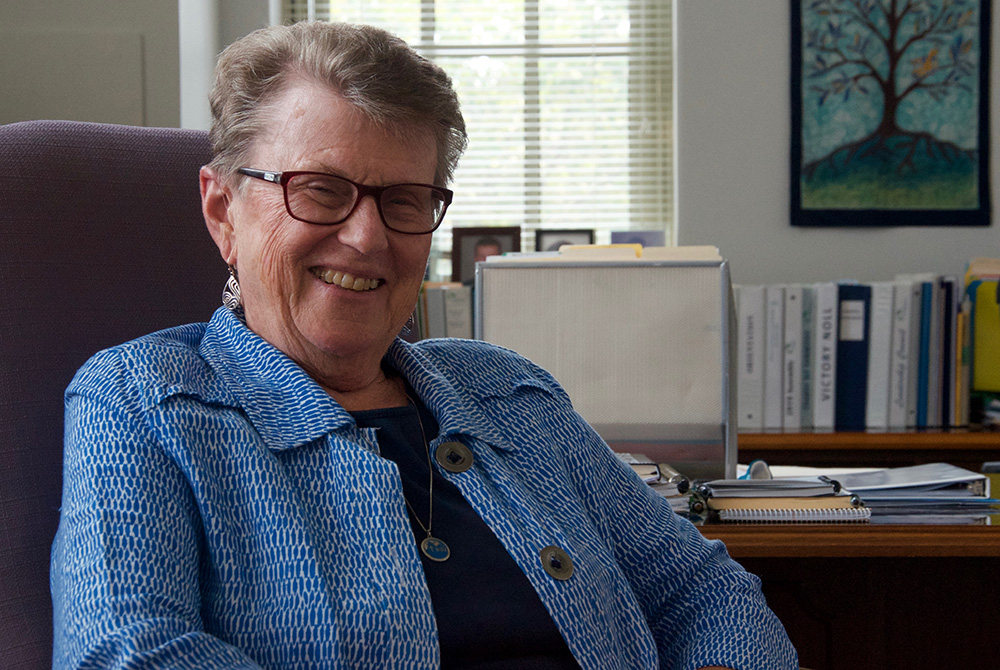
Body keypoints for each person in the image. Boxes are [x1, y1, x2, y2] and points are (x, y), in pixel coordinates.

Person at [50, 21, 797, 670]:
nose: (367, 237)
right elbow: (123, 650)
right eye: (319, 188)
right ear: (223, 211)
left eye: (404, 200)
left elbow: (706, 595)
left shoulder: (510, 392)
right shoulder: (145, 399)